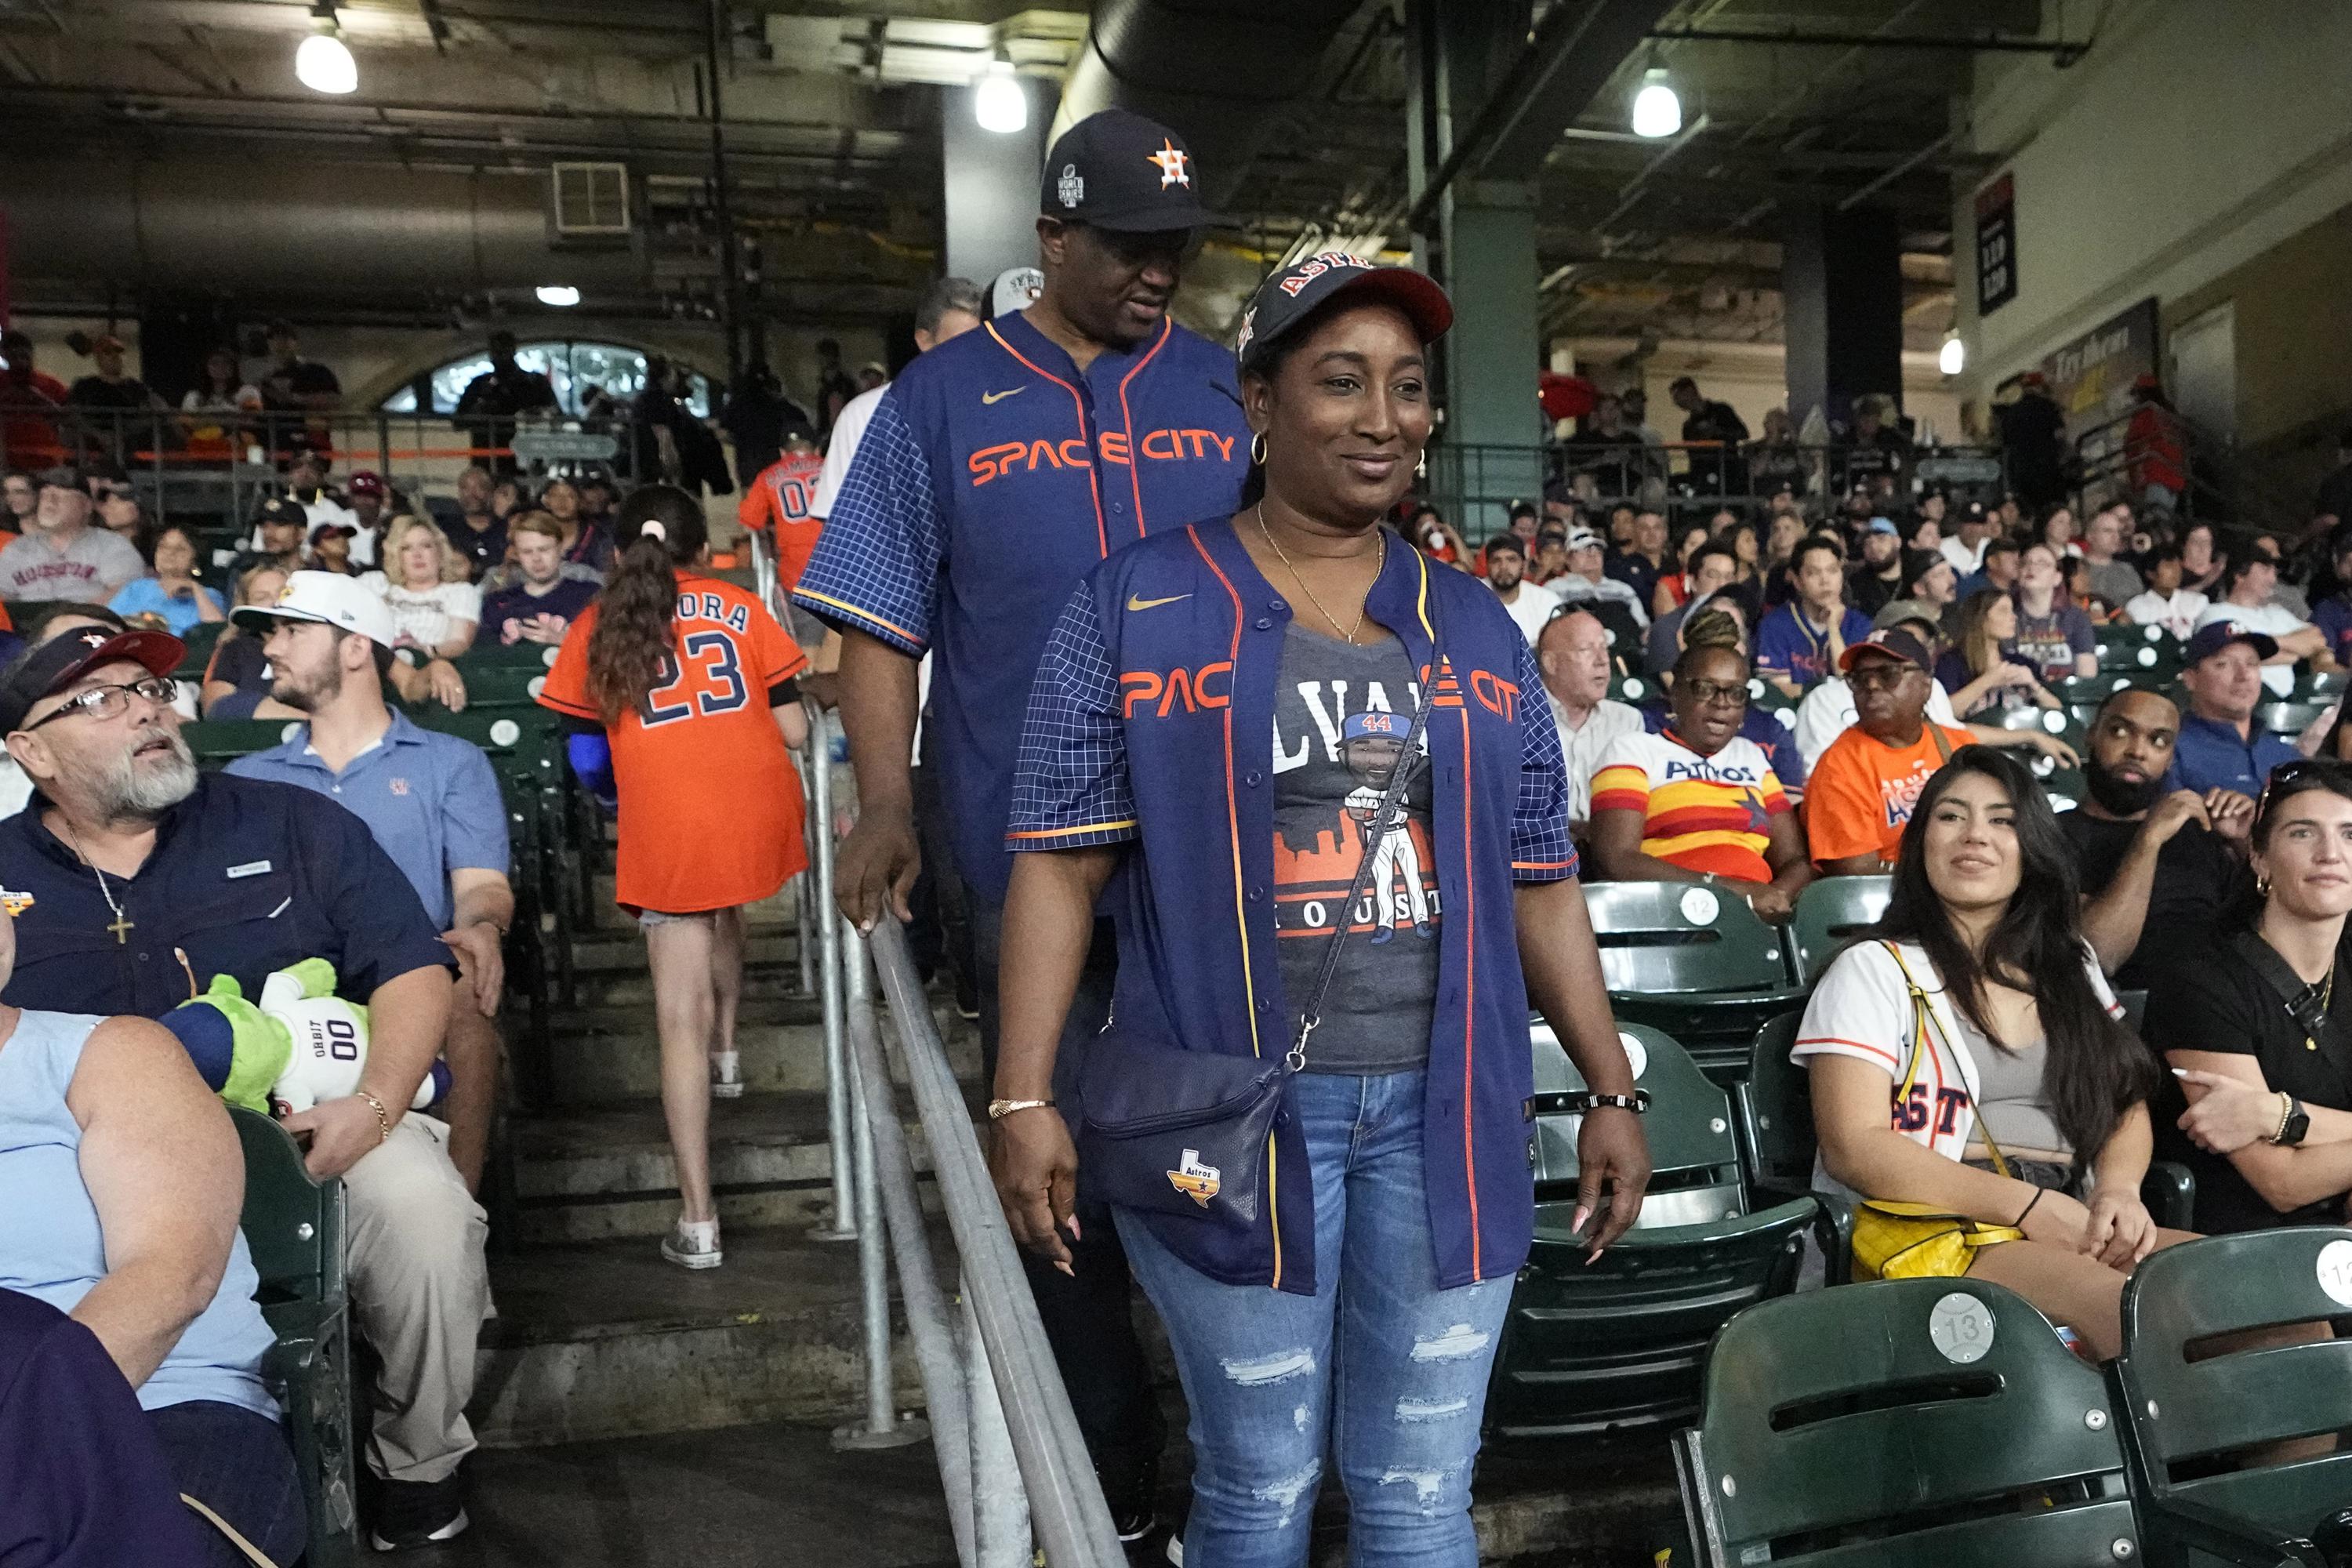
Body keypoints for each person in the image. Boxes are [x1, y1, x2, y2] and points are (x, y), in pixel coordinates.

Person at [994, 253, 1649, 1568]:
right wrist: (1023, 1094)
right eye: (1340, 381)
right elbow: (1057, 863)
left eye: (1407, 389)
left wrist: (1610, 1084)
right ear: (1258, 400)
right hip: (1227, 1118)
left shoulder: (1471, 624)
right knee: (1256, 1489)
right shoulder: (1133, 605)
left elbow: (1539, 871)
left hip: (1447, 1113)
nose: (1382, 418)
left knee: (1417, 1495)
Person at [794, 108, 1248, 1538]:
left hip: (1221, 858)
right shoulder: (941, 402)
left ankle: (1241, 1481)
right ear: (1051, 240)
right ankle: (1108, 1498)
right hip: (1022, 853)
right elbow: (877, 620)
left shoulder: (1231, 388)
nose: (1156, 274)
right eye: (1127, 246)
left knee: (1231, 1156)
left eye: (1175, 248)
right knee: (1057, 1182)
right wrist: (884, 799)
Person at [0, 622, 484, 1551]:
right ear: (31, 750)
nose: (145, 705)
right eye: (100, 698)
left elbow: (414, 967)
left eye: (148, 687)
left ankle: (417, 1462)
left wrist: (377, 1105)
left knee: (427, 1215)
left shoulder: (289, 821)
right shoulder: (3, 878)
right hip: (97, 1168)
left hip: (310, 1137)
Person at [1796, 746, 2177, 1359]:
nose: (1976, 835)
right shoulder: (1874, 968)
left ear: (2032, 848)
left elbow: (2123, 1101)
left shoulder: (2069, 965)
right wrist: (2027, 1206)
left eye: (2002, 820)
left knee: (2266, 1300)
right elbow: (1853, 1147)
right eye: (1951, 816)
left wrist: (2120, 1191)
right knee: (2139, 1314)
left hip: (2069, 1213)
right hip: (1936, 1228)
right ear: (1919, 843)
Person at [539, 488, 809, 1263]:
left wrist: (622, 793)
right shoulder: (738, 601)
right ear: (703, 549)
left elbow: (587, 754)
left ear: (616, 552)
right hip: (754, 811)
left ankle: (699, 1219)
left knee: (674, 1020)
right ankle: (731, 1047)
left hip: (665, 831)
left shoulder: (596, 625)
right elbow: (792, 725)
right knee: (727, 903)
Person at [224, 573, 514, 1194]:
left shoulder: (447, 762)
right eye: (273, 632)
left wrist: (483, 927)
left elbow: (482, 885)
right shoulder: (248, 777)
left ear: (357, 648)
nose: (271, 647)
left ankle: (460, 1207)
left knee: (460, 980)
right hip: (284, 992)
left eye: (293, 631)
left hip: (405, 976)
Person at [2151, 761, 2352, 1236]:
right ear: (2259, 859)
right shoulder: (2198, 972)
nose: (2331, 854)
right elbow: (2282, 1183)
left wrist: (2277, 1114)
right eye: (2303, 834)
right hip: (2241, 1239)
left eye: (2349, 835)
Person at [1589, 639, 1812, 920]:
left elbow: (1795, 860)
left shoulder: (1751, 757)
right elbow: (1615, 861)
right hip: (1670, 915)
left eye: (1735, 693)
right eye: (1705, 689)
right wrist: (1725, 892)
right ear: (1676, 693)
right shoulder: (1632, 750)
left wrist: (1776, 896)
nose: (1721, 703)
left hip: (1759, 920)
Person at [2066, 688, 2253, 989]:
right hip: (2113, 1023)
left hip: (2211, 1013)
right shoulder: (2053, 835)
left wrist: (2246, 845)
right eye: (2120, 731)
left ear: (2169, 759)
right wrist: (2150, 838)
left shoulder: (2199, 834)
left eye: (2159, 741)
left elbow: (2266, 937)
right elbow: (2102, 956)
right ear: (2091, 736)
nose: (2138, 751)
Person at [1806, 628, 1979, 872]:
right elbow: (1859, 878)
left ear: (1926, 686)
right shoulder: (1840, 767)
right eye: (1860, 678)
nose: (1872, 685)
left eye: (1889, 673)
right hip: (1899, 900)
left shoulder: (1961, 746)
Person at [1538, 607, 1643, 837]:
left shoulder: (1627, 721)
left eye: (1604, 648)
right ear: (1551, 663)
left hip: (1608, 851)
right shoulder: (1522, 718)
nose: (1603, 661)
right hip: (1539, 852)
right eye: (1586, 650)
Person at [2168, 621, 2303, 797]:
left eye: (2252, 664)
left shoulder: (2286, 755)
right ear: (2190, 679)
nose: (2243, 676)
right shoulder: (2172, 751)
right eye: (2223, 664)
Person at [0, 466, 145, 605]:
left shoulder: (112, 546)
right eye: (44, 496)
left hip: (91, 626)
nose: (49, 503)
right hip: (24, 627)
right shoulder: (16, 549)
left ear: (86, 505)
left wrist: (71, 619)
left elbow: (126, 593)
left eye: (59, 496)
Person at [2194, 550, 2332, 698]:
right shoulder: (2215, 612)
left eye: (2274, 573)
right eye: (2265, 570)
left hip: (2286, 702)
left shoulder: (2278, 613)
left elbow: (2319, 639)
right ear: (2240, 575)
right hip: (2239, 697)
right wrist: (2296, 652)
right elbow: (2228, 657)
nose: (2273, 579)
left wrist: (2256, 645)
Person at [1755, 535, 1871, 696]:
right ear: (1797, 581)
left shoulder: (1860, 625)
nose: (1825, 581)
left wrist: (1833, 629)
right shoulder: (1775, 624)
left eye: (1832, 571)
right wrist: (1827, 693)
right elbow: (1778, 690)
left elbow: (1851, 687)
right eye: (1813, 573)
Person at [365, 514, 481, 660]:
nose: (417, 555)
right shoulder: (376, 583)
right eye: (407, 548)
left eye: (426, 546)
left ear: (440, 552)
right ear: (397, 556)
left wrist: (426, 651)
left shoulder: (460, 592)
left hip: (429, 665)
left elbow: (459, 642)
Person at [476, 512, 598, 648]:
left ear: (561, 548)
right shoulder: (496, 604)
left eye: (544, 549)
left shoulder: (591, 597)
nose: (536, 559)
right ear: (517, 555)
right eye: (527, 552)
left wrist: (566, 641)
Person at [1936, 588, 2058, 720]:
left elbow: (2057, 714)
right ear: (1980, 617)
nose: (2013, 617)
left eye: (2012, 610)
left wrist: (2034, 685)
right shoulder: (1952, 663)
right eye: (2003, 611)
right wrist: (1989, 680)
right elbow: (1944, 713)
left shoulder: (2022, 663)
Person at [452, 330, 557, 474]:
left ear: (513, 351)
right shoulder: (480, 385)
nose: (498, 357)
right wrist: (482, 405)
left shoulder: (535, 382)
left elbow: (556, 413)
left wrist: (533, 414)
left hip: (526, 457)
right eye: (495, 352)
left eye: (503, 351)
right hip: (487, 457)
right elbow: (458, 422)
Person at [199, 564, 296, 720]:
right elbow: (216, 707)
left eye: (283, 593)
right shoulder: (235, 650)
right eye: (262, 597)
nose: (275, 602)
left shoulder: (319, 645)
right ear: (246, 606)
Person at [109, 525, 225, 637]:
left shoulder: (208, 595)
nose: (169, 553)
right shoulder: (137, 588)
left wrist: (195, 588)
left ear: (195, 561)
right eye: (163, 547)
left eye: (180, 549)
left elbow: (216, 632)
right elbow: (107, 623)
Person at [1644, 540, 1737, 676]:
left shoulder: (1740, 626)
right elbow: (1673, 681)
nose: (1722, 584)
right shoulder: (1667, 627)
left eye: (1729, 577)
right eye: (1712, 575)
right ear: (1693, 582)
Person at [2010, 541, 2099, 683]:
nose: (2032, 567)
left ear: (2057, 578)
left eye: (2042, 563)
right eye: (2026, 562)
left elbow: (2087, 674)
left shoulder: (2076, 618)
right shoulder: (2006, 615)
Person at [256, 320, 340, 456]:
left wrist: (292, 398)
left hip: (310, 442)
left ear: (295, 342)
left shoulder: (316, 372)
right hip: (273, 446)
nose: (279, 344)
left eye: (285, 338)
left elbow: (333, 401)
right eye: (273, 339)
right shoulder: (266, 380)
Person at [1549, 526, 1650, 630]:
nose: (1592, 554)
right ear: (1568, 558)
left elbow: (1643, 627)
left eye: (1597, 550)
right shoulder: (1556, 589)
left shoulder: (1623, 590)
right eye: (1584, 550)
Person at [1997, 371, 2069, 510]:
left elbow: (2006, 444)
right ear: (2039, 387)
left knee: (2033, 511)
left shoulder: (2012, 413)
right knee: (2055, 509)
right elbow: (2060, 434)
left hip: (2022, 472)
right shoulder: (2048, 406)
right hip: (2048, 468)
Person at [1668, 374, 1748, 495]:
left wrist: (1718, 432)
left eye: (1678, 396)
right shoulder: (1688, 425)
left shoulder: (1721, 410)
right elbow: (1691, 453)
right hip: (1702, 473)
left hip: (1727, 469)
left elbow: (1743, 434)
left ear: (1690, 391)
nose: (1677, 402)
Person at [2125, 375, 2187, 514]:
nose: (2135, 398)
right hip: (2175, 477)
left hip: (2154, 476)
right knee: (2163, 522)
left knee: (2155, 522)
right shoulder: (2168, 414)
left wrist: (2138, 478)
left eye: (2137, 393)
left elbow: (2139, 445)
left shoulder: (2146, 414)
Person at [1483, 533, 1559, 645]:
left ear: (1523, 564)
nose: (1503, 567)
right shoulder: (1469, 598)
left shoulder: (1546, 600)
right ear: (1487, 565)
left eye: (1511, 559)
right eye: (1496, 560)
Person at [2124, 543, 2209, 641]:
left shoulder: (2199, 601)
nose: (2176, 572)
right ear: (2151, 574)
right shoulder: (2137, 606)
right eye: (2169, 567)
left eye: (2178, 566)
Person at [439, 465, 507, 582]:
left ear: (490, 492)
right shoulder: (445, 530)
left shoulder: (506, 529)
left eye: (479, 487)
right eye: (465, 488)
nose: (472, 494)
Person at [229, 496, 309, 583]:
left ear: (301, 533)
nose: (268, 533)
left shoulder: (316, 573)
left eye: (279, 525)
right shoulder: (246, 571)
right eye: (264, 526)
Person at [2080, 505, 2143, 608]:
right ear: (2090, 535)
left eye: (2118, 532)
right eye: (2108, 531)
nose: (2115, 536)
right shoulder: (2075, 570)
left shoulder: (2128, 571)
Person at [1606, 505, 1668, 610]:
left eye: (1657, 528)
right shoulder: (1619, 568)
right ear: (1634, 533)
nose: (1651, 533)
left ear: (1665, 533)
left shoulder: (1676, 566)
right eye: (1644, 528)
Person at [1846, 516, 1907, 617]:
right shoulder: (1856, 584)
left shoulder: (1915, 576)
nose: (1874, 547)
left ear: (1897, 542)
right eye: (1867, 543)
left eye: (1881, 539)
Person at [1955, 534, 2020, 602]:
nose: (2018, 562)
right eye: (2010, 558)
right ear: (1992, 562)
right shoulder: (1971, 590)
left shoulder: (2020, 589)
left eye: (2019, 557)